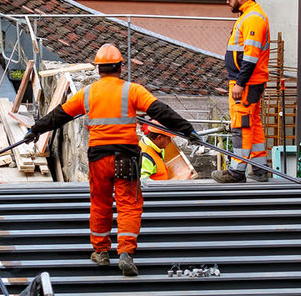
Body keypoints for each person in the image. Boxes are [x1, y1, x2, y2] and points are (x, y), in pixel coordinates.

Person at [25, 44, 200, 277]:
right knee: (129, 203)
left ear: (98, 70)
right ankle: (126, 252)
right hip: (126, 156)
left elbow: (59, 115)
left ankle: (101, 252)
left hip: (99, 157)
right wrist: (187, 130)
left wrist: (35, 130)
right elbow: (161, 111)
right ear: (120, 67)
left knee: (100, 202)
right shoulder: (132, 91)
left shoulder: (87, 93)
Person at [215, 0, 271, 183]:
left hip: (246, 83)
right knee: (253, 123)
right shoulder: (248, 16)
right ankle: (259, 168)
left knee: (242, 124)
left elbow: (250, 56)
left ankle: (237, 170)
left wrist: (240, 83)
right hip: (249, 81)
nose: (227, 1)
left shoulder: (253, 18)